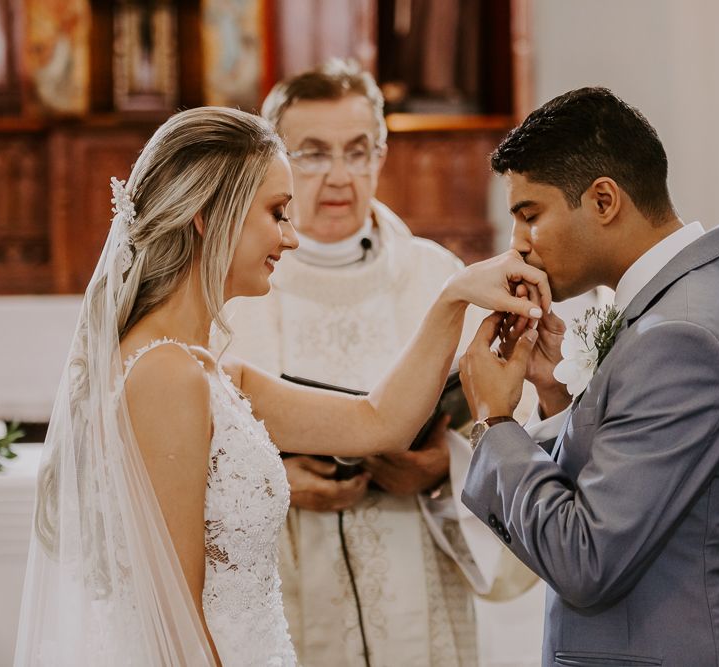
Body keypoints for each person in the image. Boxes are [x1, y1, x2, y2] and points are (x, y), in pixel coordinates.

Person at [13, 106, 550, 666]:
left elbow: (378, 422)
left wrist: (454, 296)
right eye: (277, 213)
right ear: (207, 216)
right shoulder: (165, 376)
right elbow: (176, 623)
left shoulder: (210, 373)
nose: (292, 239)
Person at [215, 59, 542, 666]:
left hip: (419, 577)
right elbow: (180, 441)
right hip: (282, 587)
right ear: (273, 163)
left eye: (359, 151)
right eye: (312, 154)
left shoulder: (437, 276)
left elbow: (514, 419)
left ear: (381, 155)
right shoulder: (232, 287)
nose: (340, 175)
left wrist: (447, 463)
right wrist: (272, 482)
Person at [457, 87, 719, 665]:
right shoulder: (688, 301)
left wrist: (494, 422)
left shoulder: (682, 337)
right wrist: (558, 397)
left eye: (530, 215)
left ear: (604, 200)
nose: (519, 245)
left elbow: (587, 561)